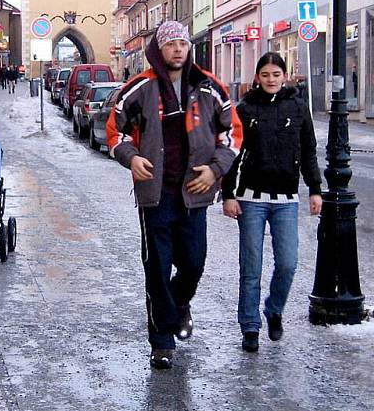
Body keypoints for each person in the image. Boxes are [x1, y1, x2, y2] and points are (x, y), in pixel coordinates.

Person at [107, 20, 243, 370]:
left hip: (194, 193)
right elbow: (115, 131)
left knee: (194, 263)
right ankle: (162, 341)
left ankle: (180, 305)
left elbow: (232, 134)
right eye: (171, 45)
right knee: (157, 269)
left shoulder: (210, 88)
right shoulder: (139, 89)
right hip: (156, 195)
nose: (178, 50)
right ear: (159, 49)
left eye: (182, 43)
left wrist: (215, 169)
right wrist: (131, 157)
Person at [222, 52, 322, 353]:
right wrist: (229, 194)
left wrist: (315, 189)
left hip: (286, 200)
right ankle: (250, 326)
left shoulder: (298, 108)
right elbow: (233, 153)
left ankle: (274, 309)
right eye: (265, 74)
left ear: (284, 76)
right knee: (251, 267)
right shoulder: (245, 108)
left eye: (276, 74)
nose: (270, 79)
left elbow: (308, 151)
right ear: (257, 77)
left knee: (288, 263)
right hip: (251, 199)